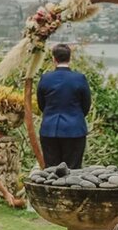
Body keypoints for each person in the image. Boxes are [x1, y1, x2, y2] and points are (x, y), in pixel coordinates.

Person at [35, 41, 91, 169]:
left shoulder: (45, 78)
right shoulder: (79, 78)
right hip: (74, 129)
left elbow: (41, 104)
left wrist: (50, 114)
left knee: (51, 170)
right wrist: (76, 116)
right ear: (70, 58)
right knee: (73, 170)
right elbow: (86, 105)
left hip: (50, 129)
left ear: (54, 59)